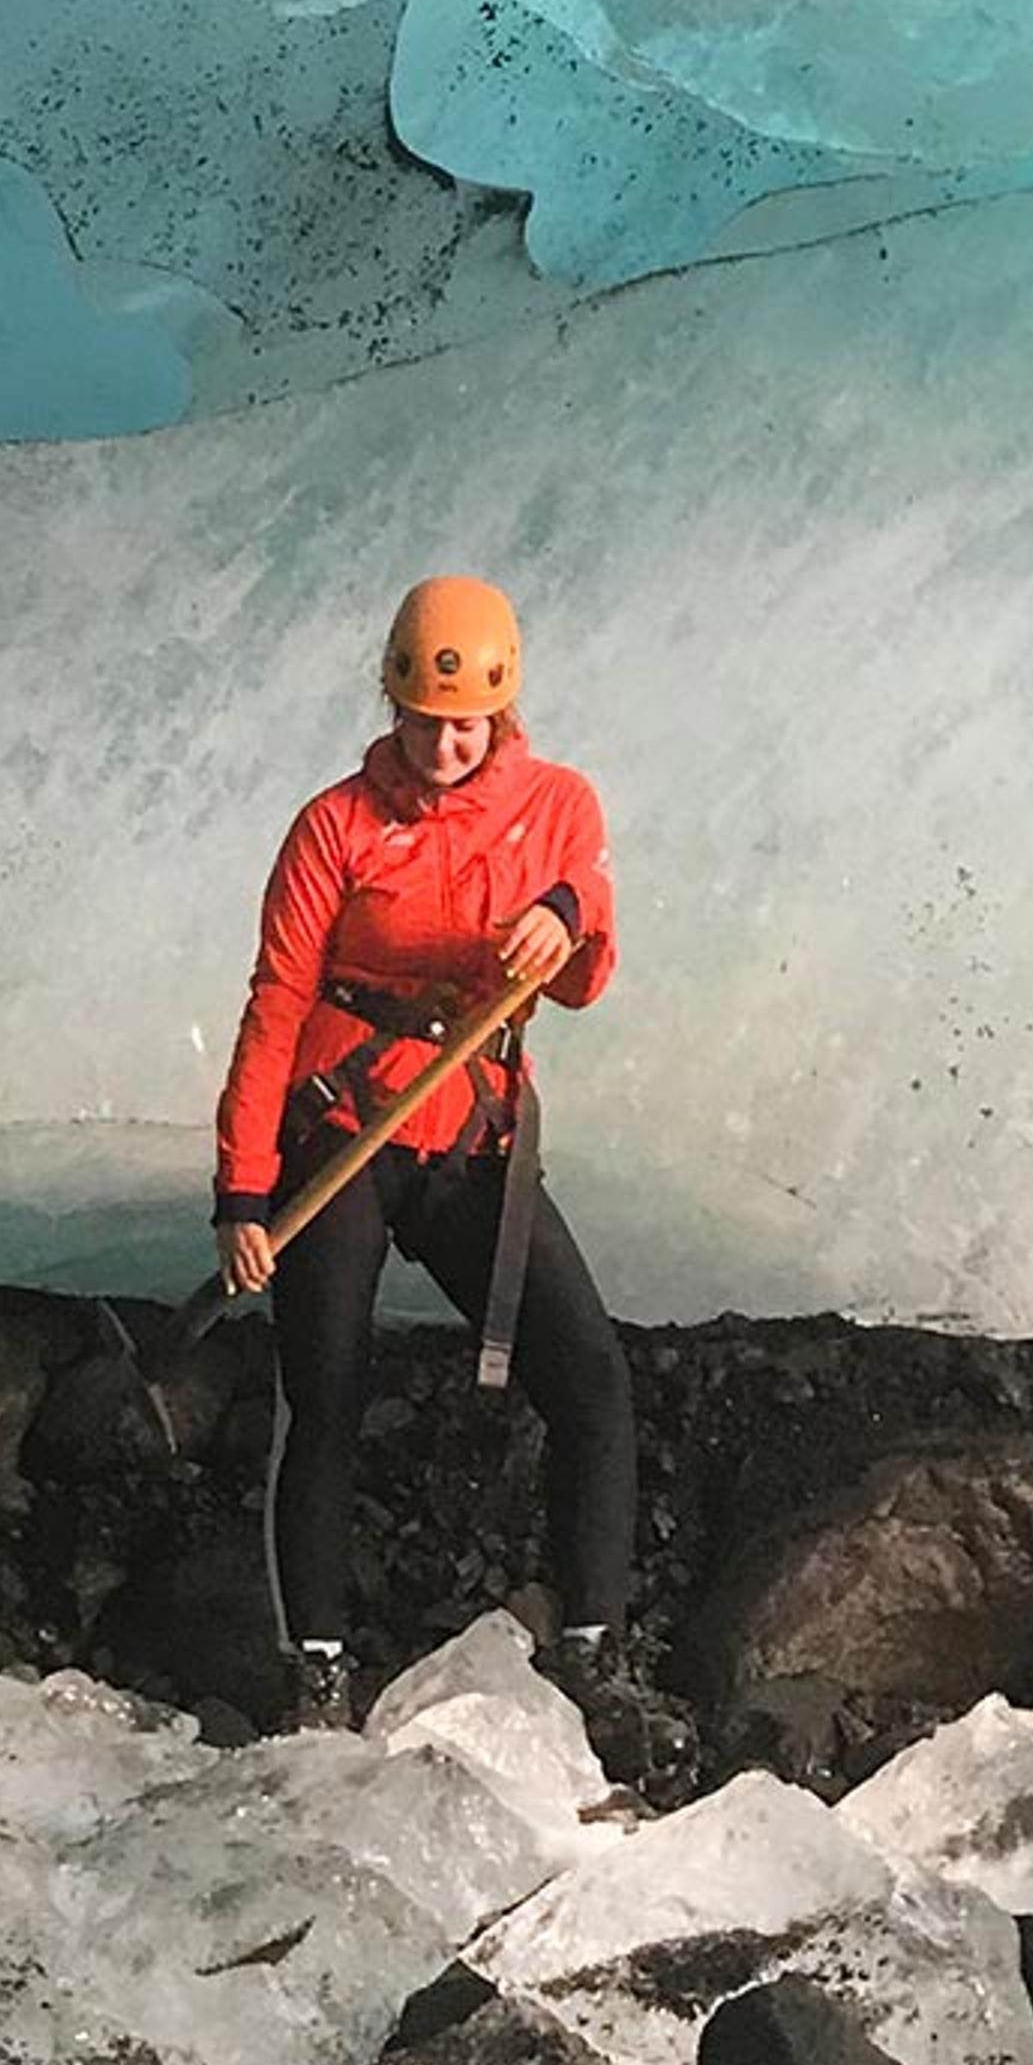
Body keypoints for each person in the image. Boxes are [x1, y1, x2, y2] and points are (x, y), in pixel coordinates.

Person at [213, 570, 644, 1747]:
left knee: (592, 1377)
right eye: (424, 719)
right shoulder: (334, 828)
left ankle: (594, 1649)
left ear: (503, 710)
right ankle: (316, 1676)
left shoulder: (559, 806)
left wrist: (567, 913)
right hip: (339, 1138)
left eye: (468, 723)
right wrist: (243, 1188)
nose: (446, 744)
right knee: (328, 1397)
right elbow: (274, 1003)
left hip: (471, 1135)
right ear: (391, 703)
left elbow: (588, 966)